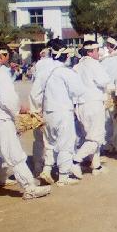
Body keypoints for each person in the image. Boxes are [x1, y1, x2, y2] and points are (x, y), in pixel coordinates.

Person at [0, 42, 51, 202]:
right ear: (2, 56)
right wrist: (19, 109)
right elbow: (7, 99)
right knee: (15, 155)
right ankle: (29, 187)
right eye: (8, 54)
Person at [30, 43, 86, 185]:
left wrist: (36, 111)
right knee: (66, 144)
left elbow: (35, 94)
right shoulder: (66, 72)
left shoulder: (43, 71)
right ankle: (63, 177)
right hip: (63, 112)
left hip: (48, 112)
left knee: (50, 143)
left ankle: (47, 170)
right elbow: (79, 91)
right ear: (66, 56)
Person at [73, 41, 113, 174]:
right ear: (90, 52)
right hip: (93, 103)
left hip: (80, 105)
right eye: (96, 50)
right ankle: (75, 161)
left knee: (90, 136)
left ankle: (96, 165)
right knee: (96, 137)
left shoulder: (77, 66)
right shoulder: (94, 64)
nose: (99, 52)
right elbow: (104, 81)